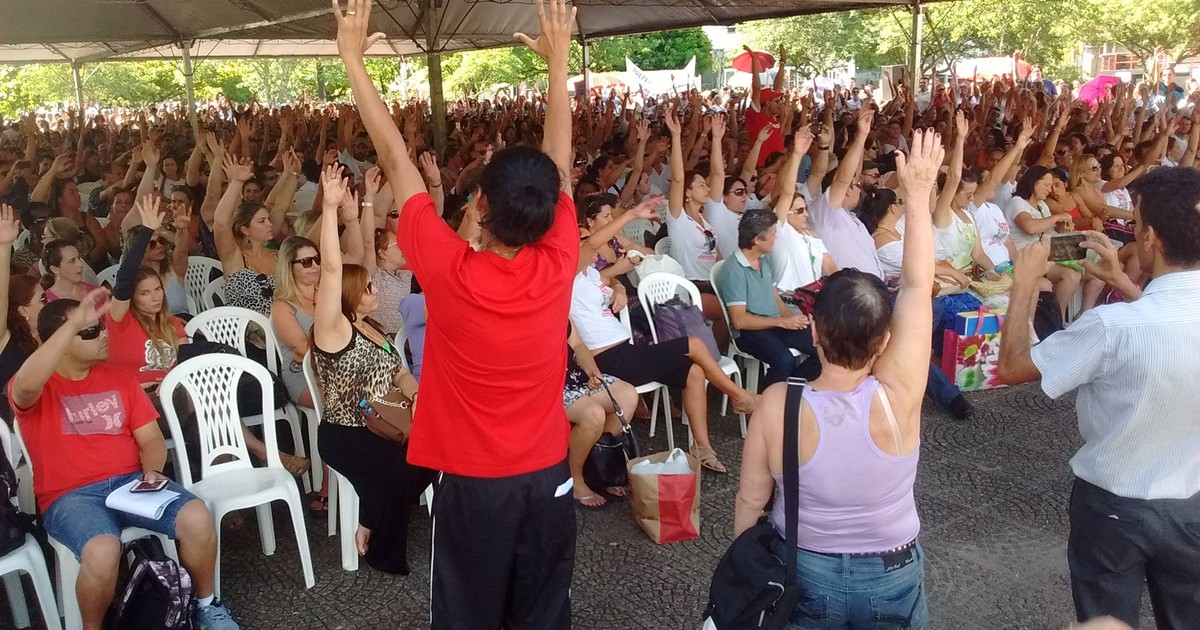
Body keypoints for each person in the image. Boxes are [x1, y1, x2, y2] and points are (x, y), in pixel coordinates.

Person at [336, 0, 578, 624]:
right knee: (543, 612)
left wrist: (353, 61)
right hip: (548, 472)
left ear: (478, 202)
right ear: (551, 213)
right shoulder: (558, 258)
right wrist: (558, 71)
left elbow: (394, 162)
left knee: (467, 614)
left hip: (474, 484)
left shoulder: (449, 269)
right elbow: (561, 170)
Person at [733, 129, 945, 630]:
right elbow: (916, 285)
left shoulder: (777, 403)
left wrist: (745, 568)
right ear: (884, 341)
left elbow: (750, 499)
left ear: (813, 330)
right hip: (891, 571)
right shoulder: (901, 394)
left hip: (802, 570)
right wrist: (918, 194)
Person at [998, 166, 1200, 629]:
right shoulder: (1129, 319)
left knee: (1106, 621)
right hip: (1191, 499)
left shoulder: (1109, 327)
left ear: (1148, 238)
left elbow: (1012, 367)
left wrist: (1025, 285)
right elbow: (1165, 319)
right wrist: (1126, 285)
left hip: (1113, 505)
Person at [7, 291, 239, 630]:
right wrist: (72, 321)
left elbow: (151, 439)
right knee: (102, 550)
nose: (102, 334)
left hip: (132, 484)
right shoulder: (38, 387)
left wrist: (153, 471)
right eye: (89, 331)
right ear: (57, 341)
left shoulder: (118, 378)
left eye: (100, 327)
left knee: (197, 516)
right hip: (71, 496)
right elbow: (25, 385)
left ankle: (207, 604)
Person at [571, 198, 758, 473]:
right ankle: (739, 396)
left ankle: (702, 447)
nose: (587, 240)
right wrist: (632, 213)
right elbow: (591, 246)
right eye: (582, 237)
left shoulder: (588, 274)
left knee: (693, 371)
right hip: (608, 358)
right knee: (692, 344)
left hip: (626, 348)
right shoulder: (566, 271)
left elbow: (608, 279)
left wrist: (620, 290)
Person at [311, 165, 426, 575]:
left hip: (387, 420)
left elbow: (398, 374)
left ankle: (371, 512)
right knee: (398, 469)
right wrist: (328, 209)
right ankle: (381, 548)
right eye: (369, 286)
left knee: (431, 449)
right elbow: (331, 267)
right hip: (346, 433)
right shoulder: (332, 329)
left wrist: (417, 396)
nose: (375, 289)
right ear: (349, 295)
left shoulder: (373, 328)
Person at [715, 207, 822, 387]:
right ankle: (768, 403)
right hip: (749, 332)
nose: (776, 237)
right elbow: (739, 320)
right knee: (783, 360)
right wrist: (782, 322)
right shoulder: (734, 270)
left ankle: (789, 389)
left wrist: (792, 319)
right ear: (757, 239)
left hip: (774, 324)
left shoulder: (764, 259)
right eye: (772, 233)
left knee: (823, 347)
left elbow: (773, 294)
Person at [1006, 166, 1082, 318]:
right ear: (1034, 182)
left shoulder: (1042, 205)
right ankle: (1050, 321)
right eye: (1047, 185)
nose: (1050, 189)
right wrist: (1056, 217)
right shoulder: (1017, 202)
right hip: (1022, 259)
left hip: (1042, 257)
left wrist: (1062, 227)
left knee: (1072, 274)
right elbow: (1030, 227)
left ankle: (1057, 318)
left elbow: (1048, 231)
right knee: (1059, 278)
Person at [0, 204, 41, 419]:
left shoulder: (52, 338)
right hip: (14, 432)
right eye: (41, 300)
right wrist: (5, 246)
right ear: (23, 309)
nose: (48, 303)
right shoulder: (7, 341)